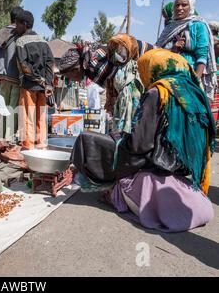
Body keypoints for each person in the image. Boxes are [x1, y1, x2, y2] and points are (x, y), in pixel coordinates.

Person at [71, 49, 215, 232]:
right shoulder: (194, 92)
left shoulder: (158, 92)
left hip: (156, 164)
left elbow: (140, 144)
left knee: (91, 142)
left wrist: (119, 142)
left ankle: (118, 193)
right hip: (183, 165)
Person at [156, 0, 217, 101]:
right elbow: (157, 51)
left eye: (184, 5)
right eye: (177, 5)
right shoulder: (169, 28)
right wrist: (172, 49)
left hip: (189, 74)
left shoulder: (198, 25)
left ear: (191, 7)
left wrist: (195, 81)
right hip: (166, 72)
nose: (180, 8)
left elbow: (202, 56)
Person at [15, 10, 55, 150]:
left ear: (24, 24)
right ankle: (42, 147)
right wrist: (48, 83)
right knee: (41, 117)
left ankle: (29, 148)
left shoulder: (20, 41)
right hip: (44, 88)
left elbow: (24, 65)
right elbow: (50, 62)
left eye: (17, 24)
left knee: (27, 118)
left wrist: (38, 80)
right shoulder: (43, 40)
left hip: (29, 86)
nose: (16, 27)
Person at [106, 34, 154, 133]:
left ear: (129, 49)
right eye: (116, 49)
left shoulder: (137, 66)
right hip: (121, 102)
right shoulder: (114, 69)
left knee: (132, 126)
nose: (118, 53)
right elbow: (112, 88)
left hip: (134, 101)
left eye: (121, 49)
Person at [0, 7, 24, 140]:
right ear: (18, 20)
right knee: (13, 111)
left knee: (3, 109)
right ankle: (8, 140)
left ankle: (1, 138)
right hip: (15, 77)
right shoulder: (19, 33)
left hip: (2, 77)